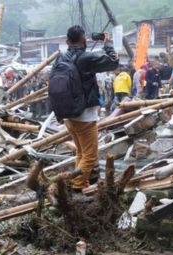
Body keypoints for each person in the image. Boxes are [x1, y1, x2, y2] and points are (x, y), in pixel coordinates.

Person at [52, 25, 118, 191]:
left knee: (81, 153)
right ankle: (78, 185)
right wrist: (107, 43)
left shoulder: (60, 59)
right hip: (85, 116)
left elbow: (52, 87)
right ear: (84, 40)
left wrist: (58, 113)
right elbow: (113, 62)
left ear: (67, 41)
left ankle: (80, 181)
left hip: (68, 115)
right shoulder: (86, 58)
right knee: (90, 155)